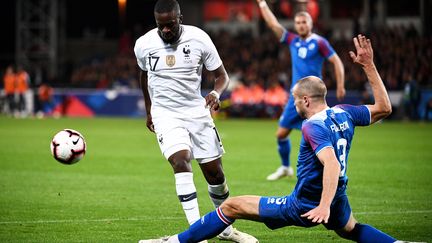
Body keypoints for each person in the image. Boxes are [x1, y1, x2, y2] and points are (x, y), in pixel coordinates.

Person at [138, 35, 407, 243]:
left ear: (305, 100)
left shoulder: (312, 128)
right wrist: (369, 66)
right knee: (351, 229)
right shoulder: (345, 113)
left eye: (294, 99)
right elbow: (384, 108)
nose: (293, 104)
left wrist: (322, 206)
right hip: (338, 197)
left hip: (304, 204)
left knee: (231, 206)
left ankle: (175, 241)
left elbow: (332, 164)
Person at [133, 0, 257, 242]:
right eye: (161, 26)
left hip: (196, 111)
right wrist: (150, 111)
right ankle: (197, 234)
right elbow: (144, 75)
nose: (165, 30)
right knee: (180, 161)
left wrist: (215, 93)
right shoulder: (144, 44)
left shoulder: (199, 38)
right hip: (165, 114)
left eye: (170, 25)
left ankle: (225, 230)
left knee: (215, 175)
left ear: (180, 19)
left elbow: (221, 76)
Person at [256, 0, 346, 180]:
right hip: (296, 97)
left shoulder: (319, 42)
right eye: (298, 23)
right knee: (281, 134)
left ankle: (329, 168)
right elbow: (273, 24)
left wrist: (341, 85)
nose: (301, 25)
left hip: (314, 97)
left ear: (311, 24)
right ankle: (285, 167)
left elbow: (336, 61)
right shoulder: (292, 40)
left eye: (304, 22)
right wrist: (262, 4)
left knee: (319, 133)